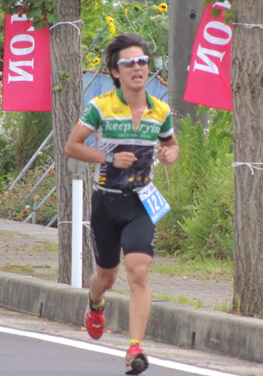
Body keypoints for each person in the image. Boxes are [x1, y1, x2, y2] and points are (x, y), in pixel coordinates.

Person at [64, 34, 179, 375]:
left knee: (139, 271)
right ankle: (95, 301)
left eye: (143, 61)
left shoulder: (160, 110)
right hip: (107, 202)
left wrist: (169, 154)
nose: (138, 68)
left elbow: (172, 144)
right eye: (129, 63)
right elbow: (72, 146)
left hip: (141, 202)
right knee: (106, 277)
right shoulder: (100, 106)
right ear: (115, 72)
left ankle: (135, 348)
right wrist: (109, 158)